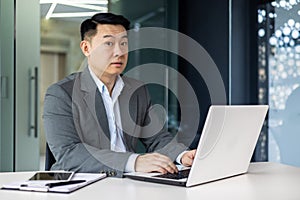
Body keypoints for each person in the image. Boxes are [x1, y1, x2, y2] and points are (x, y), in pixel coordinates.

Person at [43, 13, 196, 178]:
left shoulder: (137, 91)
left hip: (127, 182)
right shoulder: (60, 94)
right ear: (86, 48)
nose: (119, 52)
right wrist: (134, 162)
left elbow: (156, 138)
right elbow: (69, 154)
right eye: (108, 43)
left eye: (123, 43)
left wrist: (182, 155)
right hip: (81, 184)